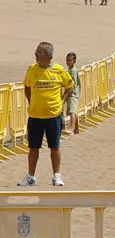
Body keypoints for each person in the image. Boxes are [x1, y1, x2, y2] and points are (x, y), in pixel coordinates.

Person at [19, 42, 74, 187]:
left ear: (48, 56)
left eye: (39, 52)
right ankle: (31, 176)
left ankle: (56, 176)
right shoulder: (32, 70)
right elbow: (27, 87)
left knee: (54, 147)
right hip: (35, 116)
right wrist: (32, 102)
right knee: (33, 147)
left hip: (53, 115)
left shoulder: (59, 71)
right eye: (36, 52)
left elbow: (70, 86)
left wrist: (62, 100)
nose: (36, 54)